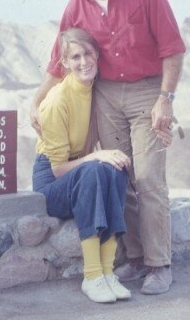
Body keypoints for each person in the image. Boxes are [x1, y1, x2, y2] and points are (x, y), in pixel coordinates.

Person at [31, 0, 185, 295]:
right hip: (106, 95)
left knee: (148, 179)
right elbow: (59, 60)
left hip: (146, 90)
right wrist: (36, 102)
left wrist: (166, 98)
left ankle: (158, 264)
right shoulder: (75, 6)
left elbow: (173, 49)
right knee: (122, 173)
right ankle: (134, 258)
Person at [32, 27, 133, 303]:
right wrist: (95, 156)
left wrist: (101, 159)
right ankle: (92, 275)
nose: (83, 62)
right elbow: (58, 169)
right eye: (75, 57)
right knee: (94, 168)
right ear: (64, 63)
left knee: (116, 167)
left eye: (88, 53)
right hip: (53, 183)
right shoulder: (56, 101)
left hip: (81, 172)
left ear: (97, 55)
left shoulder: (94, 90)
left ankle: (107, 272)